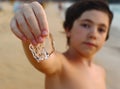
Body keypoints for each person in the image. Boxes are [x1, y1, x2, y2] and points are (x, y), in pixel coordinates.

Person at [10, 0, 113, 89]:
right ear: (68, 29)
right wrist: (30, 30)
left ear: (106, 38)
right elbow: (43, 59)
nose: (93, 34)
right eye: (85, 25)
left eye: (101, 29)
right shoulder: (60, 65)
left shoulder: (101, 72)